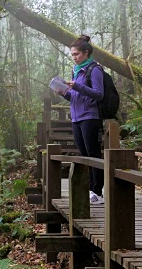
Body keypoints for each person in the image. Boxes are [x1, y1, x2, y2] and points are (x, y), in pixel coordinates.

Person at [56, 35, 105, 204]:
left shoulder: (94, 69)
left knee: (93, 154)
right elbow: (76, 97)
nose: (74, 57)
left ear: (86, 53)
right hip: (76, 117)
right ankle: (90, 188)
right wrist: (64, 93)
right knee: (84, 154)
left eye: (76, 54)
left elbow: (99, 95)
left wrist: (76, 86)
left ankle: (98, 191)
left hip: (90, 116)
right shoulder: (75, 71)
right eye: (72, 55)